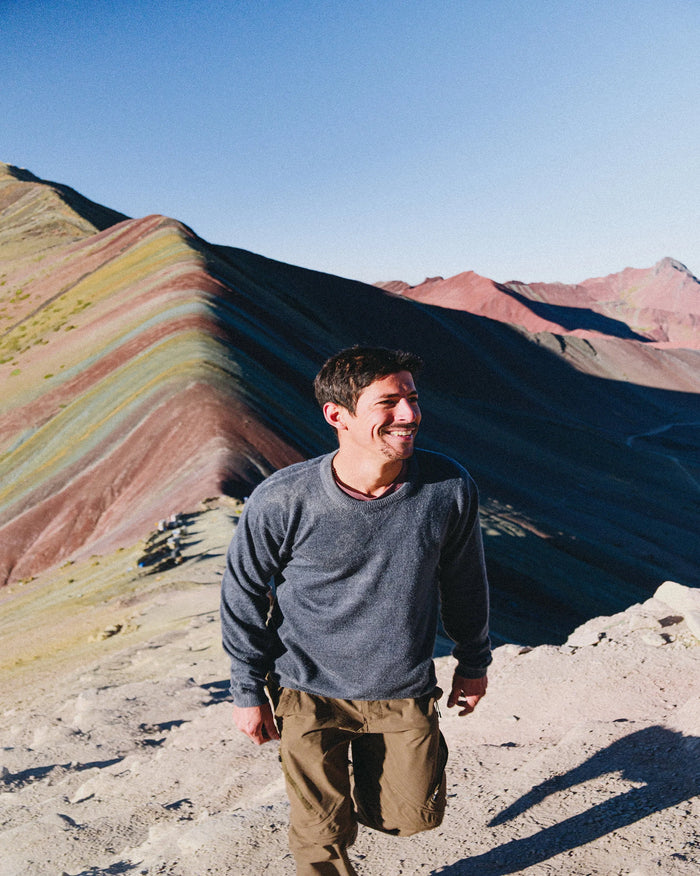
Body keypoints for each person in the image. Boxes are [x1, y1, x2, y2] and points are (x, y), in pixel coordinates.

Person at [221, 346, 491, 875]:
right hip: (307, 689)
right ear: (337, 415)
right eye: (388, 403)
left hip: (402, 687)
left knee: (410, 817)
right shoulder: (283, 499)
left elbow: (464, 583)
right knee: (320, 832)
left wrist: (474, 662)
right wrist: (247, 689)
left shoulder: (447, 488)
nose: (409, 415)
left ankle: (375, 794)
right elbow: (244, 592)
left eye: (412, 399)